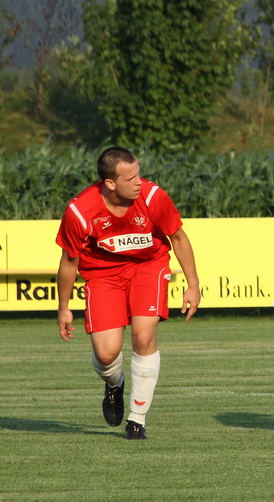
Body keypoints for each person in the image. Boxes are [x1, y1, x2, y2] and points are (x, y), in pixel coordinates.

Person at [56, 146, 201, 440]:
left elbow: (177, 237)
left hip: (148, 266)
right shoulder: (79, 212)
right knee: (106, 353)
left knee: (143, 336)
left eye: (139, 174)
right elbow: (69, 261)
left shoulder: (153, 197)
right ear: (110, 183)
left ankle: (137, 420)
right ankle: (114, 384)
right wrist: (64, 307)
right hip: (103, 275)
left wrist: (193, 284)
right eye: (130, 178)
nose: (139, 182)